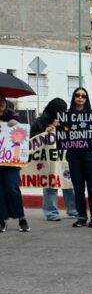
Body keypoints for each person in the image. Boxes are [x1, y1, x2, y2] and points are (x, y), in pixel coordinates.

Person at [29, 97, 77, 222]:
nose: (64, 112)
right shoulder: (41, 121)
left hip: (64, 158)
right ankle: (51, 212)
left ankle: (73, 210)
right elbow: (32, 138)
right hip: (49, 159)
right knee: (50, 183)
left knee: (68, 183)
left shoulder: (66, 120)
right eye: (62, 110)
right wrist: (46, 130)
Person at [64, 87, 92, 227]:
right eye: (77, 95)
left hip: (90, 153)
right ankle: (81, 216)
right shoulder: (66, 116)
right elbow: (63, 135)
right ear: (73, 98)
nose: (80, 98)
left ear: (86, 99)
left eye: (83, 96)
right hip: (73, 154)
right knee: (78, 187)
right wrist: (55, 127)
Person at [0, 93, 30, 233]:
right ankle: (2, 219)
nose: (1, 103)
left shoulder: (13, 118)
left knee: (12, 188)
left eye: (2, 100)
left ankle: (21, 217)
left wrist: (16, 125)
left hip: (11, 160)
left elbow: (23, 134)